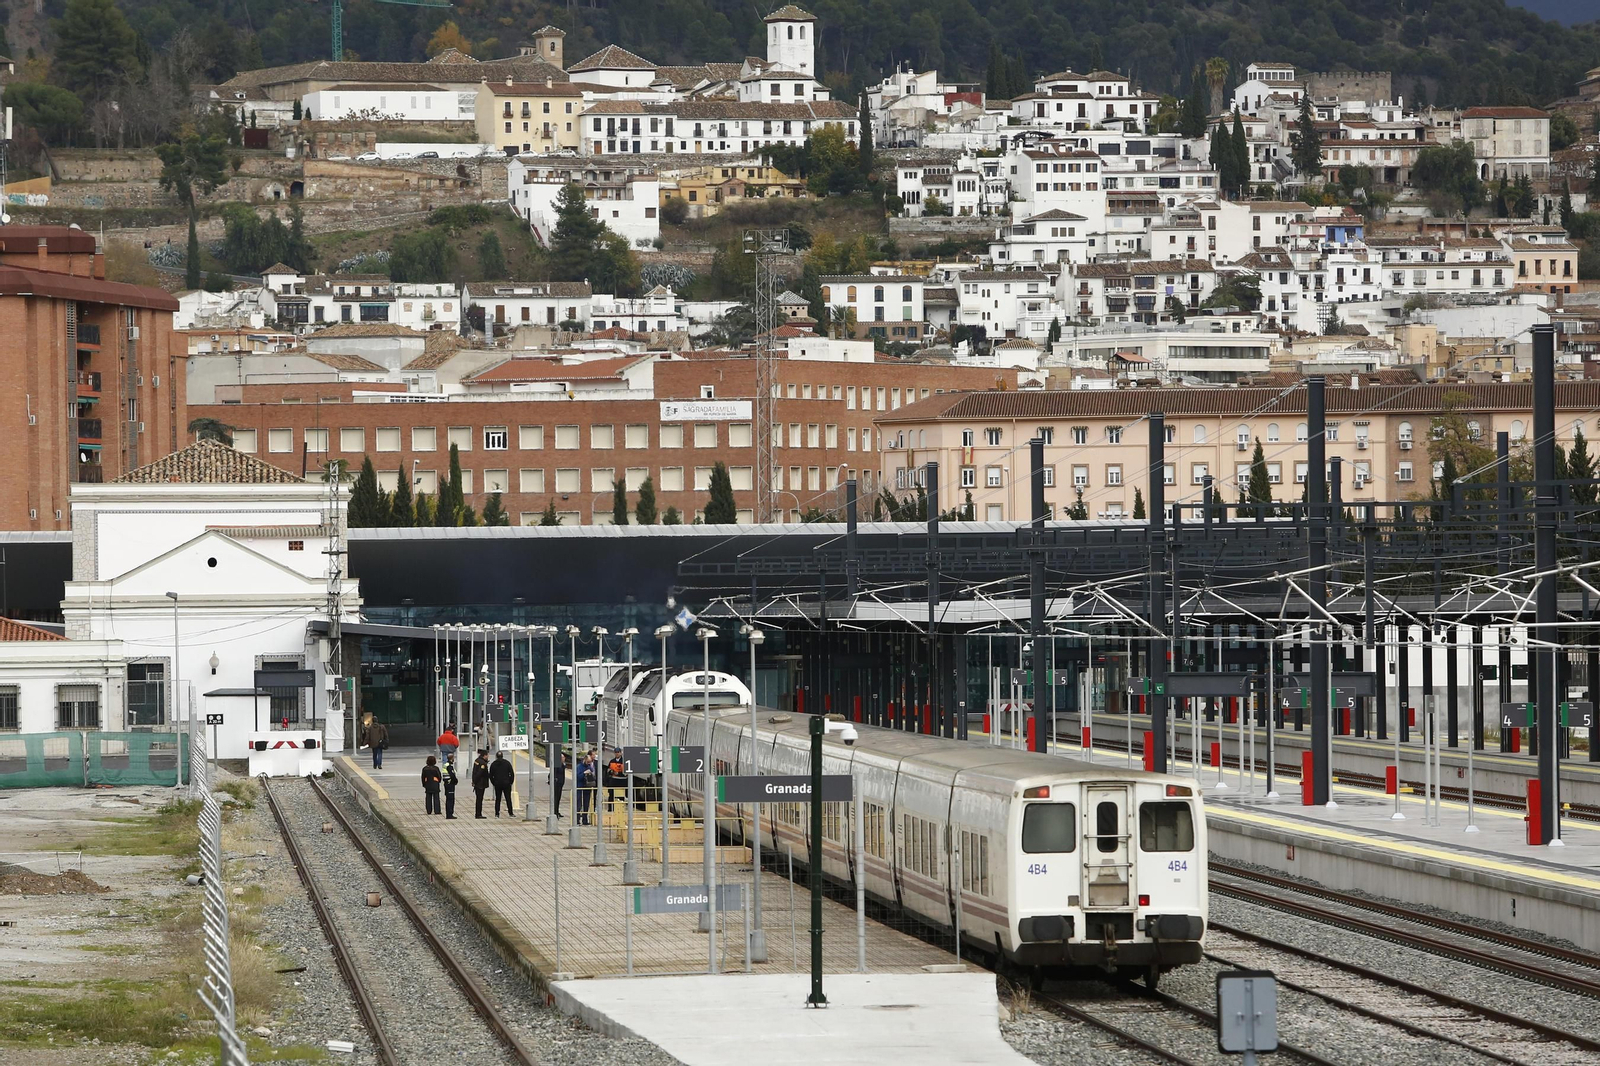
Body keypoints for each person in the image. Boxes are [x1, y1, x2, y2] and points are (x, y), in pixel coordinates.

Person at [488, 750, 515, 817]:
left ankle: (497, 813)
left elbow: (491, 775)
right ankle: (510, 813)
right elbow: (512, 773)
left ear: (496, 756)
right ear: (502, 756)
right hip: (506, 783)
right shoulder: (507, 763)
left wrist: (494, 782)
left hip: (497, 784)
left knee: (498, 799)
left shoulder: (493, 764)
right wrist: (510, 782)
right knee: (508, 798)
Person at [575, 751, 594, 826]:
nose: (589, 763)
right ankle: (577, 819)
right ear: (585, 760)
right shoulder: (579, 767)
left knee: (586, 803)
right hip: (579, 786)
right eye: (588, 762)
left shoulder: (589, 767)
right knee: (579, 803)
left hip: (587, 786)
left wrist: (590, 774)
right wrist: (584, 773)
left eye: (590, 762)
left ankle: (585, 819)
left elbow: (593, 777)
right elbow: (578, 777)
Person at [471, 749, 490, 819]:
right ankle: (478, 814)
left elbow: (474, 772)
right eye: (487, 755)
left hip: (477, 783)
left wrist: (473, 781)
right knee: (479, 799)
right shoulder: (483, 764)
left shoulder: (477, 760)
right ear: (484, 756)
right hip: (481, 784)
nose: (488, 756)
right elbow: (480, 773)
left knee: (478, 799)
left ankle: (478, 813)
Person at [442, 754, 459, 819]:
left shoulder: (446, 765)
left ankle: (449, 814)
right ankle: (449, 814)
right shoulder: (449, 766)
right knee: (450, 799)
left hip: (447, 784)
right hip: (450, 784)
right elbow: (452, 775)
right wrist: (455, 781)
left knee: (448, 799)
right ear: (451, 759)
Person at [552, 751, 568, 819]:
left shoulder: (563, 764)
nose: (564, 758)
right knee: (556, 798)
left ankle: (557, 811)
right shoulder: (558, 765)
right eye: (563, 757)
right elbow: (556, 772)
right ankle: (555, 812)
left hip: (561, 783)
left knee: (558, 798)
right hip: (557, 783)